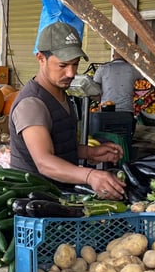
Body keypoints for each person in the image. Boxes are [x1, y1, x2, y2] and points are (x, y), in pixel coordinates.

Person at [9, 22, 125, 199]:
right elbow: (44, 162)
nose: (71, 73)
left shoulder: (61, 93)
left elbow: (58, 145)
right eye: (63, 65)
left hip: (59, 195)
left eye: (75, 64)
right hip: (34, 201)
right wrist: (90, 175)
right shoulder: (32, 104)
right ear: (41, 58)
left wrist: (90, 152)